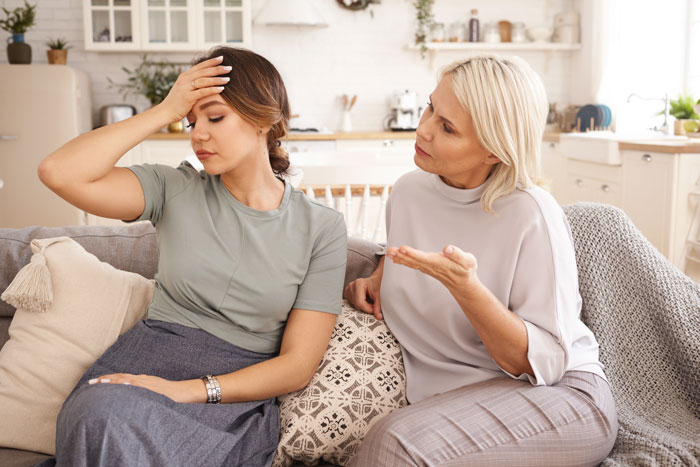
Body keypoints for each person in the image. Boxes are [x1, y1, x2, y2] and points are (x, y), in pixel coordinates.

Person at [37, 47, 347, 467]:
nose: (197, 134)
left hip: (232, 398)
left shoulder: (321, 227)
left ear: (265, 120)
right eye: (190, 121)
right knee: (103, 417)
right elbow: (58, 172)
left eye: (215, 117)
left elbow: (297, 365)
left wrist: (191, 389)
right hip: (141, 370)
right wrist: (164, 109)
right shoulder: (174, 189)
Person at [345, 55, 618, 466]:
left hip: (556, 396)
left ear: (493, 150)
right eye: (430, 107)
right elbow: (408, 251)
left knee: (395, 444)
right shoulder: (408, 192)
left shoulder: (531, 214)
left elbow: (538, 362)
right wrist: (381, 272)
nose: (423, 128)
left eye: (447, 127)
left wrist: (466, 288)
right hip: (455, 399)